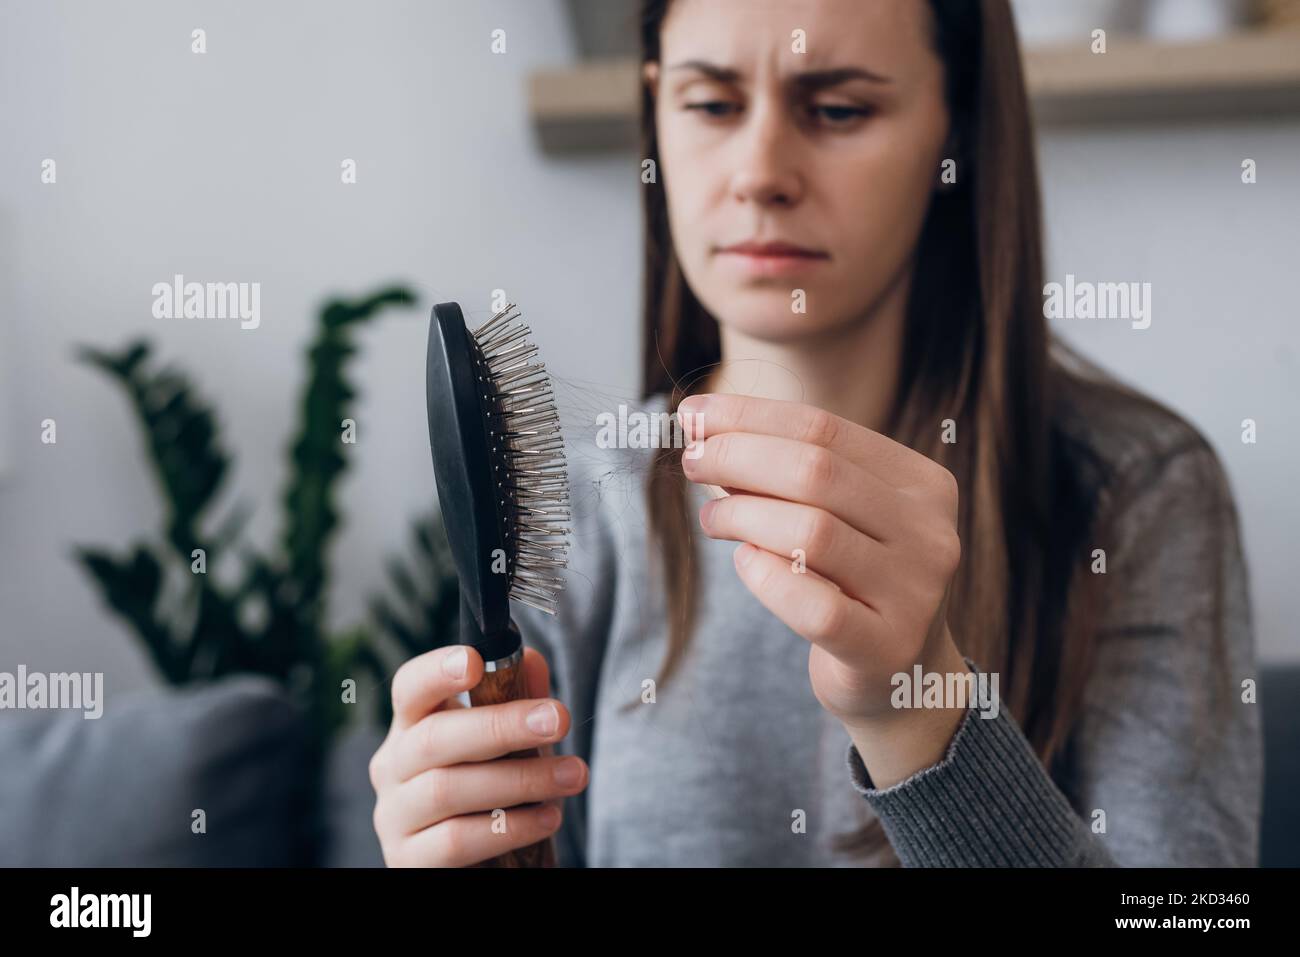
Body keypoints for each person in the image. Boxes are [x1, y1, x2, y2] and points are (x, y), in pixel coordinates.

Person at [368, 0, 1262, 867]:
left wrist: (921, 706)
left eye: (838, 108)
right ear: (655, 106)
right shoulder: (576, 514)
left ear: (958, 127)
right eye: (711, 103)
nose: (760, 171)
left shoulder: (1139, 491)